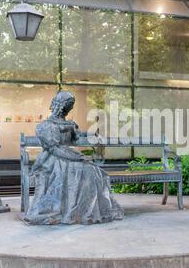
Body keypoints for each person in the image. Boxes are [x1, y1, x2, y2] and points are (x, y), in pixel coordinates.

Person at [24, 91, 124, 225]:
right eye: (69, 105)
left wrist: (91, 137)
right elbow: (54, 149)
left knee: (92, 171)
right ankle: (71, 209)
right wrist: (74, 157)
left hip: (69, 156)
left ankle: (83, 209)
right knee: (77, 170)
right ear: (62, 105)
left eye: (72, 105)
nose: (71, 108)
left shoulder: (70, 124)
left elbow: (76, 139)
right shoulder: (45, 126)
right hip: (53, 159)